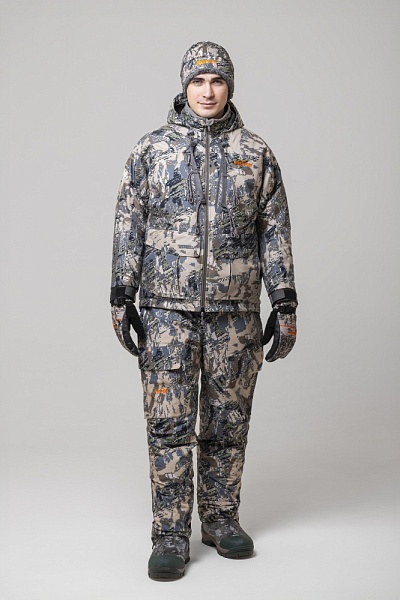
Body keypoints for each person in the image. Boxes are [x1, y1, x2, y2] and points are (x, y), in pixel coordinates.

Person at [110, 41, 297, 581]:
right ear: (184, 86)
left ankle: (220, 519)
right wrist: (121, 295)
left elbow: (275, 231)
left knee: (228, 424)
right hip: (166, 314)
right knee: (167, 426)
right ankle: (169, 534)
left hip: (234, 315)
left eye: (217, 81)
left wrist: (284, 300)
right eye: (198, 81)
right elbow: (128, 223)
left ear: (229, 86)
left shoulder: (256, 153)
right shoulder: (152, 151)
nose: (207, 91)